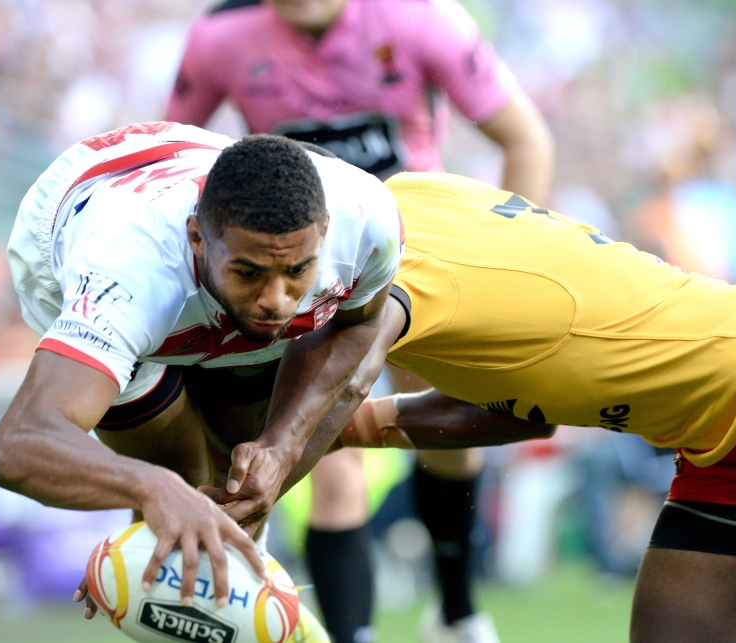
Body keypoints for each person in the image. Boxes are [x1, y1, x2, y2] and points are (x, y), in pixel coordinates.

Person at [317, 171, 736, 643]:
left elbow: (336, 385)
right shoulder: (411, 205)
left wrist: (273, 457)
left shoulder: (395, 266)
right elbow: (522, 413)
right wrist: (346, 430)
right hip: (729, 453)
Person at [167, 0, 553, 639]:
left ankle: (456, 610)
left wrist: (513, 261)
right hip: (299, 275)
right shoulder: (221, 38)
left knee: (449, 435)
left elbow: (525, 138)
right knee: (328, 454)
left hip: (422, 260)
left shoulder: (421, 19)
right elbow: (168, 148)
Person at [0, 122, 403, 639]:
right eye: (251, 272)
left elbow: (359, 324)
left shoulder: (367, 222)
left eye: (297, 271)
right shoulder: (127, 275)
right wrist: (150, 486)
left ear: (323, 234)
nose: (276, 299)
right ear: (196, 238)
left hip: (182, 177)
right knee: (182, 484)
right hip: (79, 213)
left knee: (235, 482)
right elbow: (19, 445)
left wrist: (281, 447)